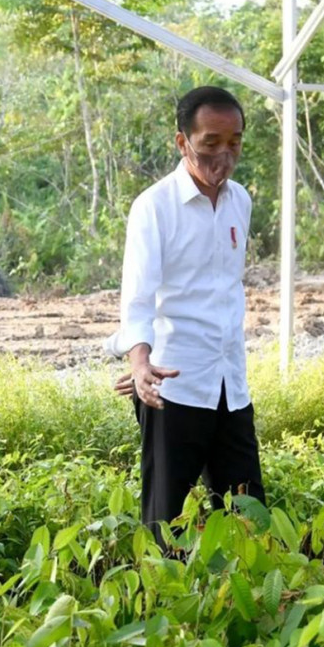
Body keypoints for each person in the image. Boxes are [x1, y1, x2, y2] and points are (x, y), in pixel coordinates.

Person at [105, 85, 265, 547]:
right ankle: (164, 609)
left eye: (234, 142)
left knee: (247, 512)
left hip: (229, 383)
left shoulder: (240, 201)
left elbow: (226, 288)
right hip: (171, 385)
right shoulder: (153, 207)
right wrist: (138, 363)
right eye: (211, 142)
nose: (225, 154)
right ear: (182, 142)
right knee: (165, 519)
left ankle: (242, 603)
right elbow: (137, 298)